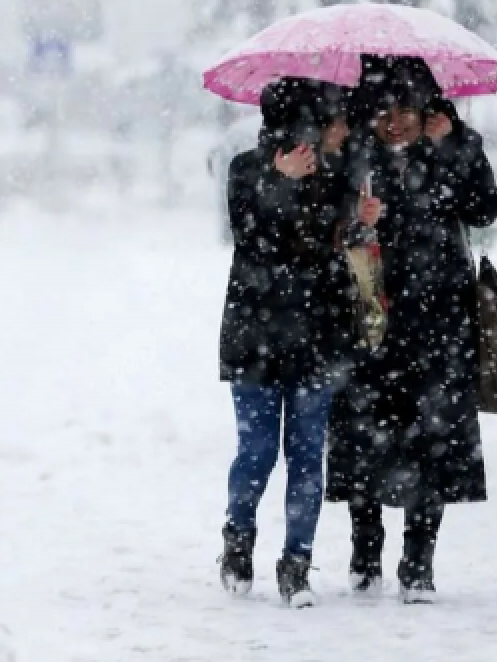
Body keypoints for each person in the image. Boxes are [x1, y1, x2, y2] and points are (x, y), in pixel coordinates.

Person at [326, 59, 497, 604]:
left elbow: (485, 208)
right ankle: (365, 546)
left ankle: (419, 559)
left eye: (407, 110)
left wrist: (456, 145)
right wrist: (358, 219)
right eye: (384, 111)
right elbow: (325, 227)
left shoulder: (449, 147)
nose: (395, 122)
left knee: (434, 442)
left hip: (440, 323)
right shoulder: (354, 155)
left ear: (427, 111)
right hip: (371, 319)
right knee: (363, 437)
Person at [217, 78, 370, 607]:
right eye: (332, 121)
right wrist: (279, 183)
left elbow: (331, 254)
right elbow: (250, 238)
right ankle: (238, 543)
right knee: (257, 451)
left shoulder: (336, 178)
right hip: (255, 334)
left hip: (318, 336)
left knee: (307, 455)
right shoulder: (244, 169)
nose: (341, 131)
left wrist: (358, 226)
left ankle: (296, 562)